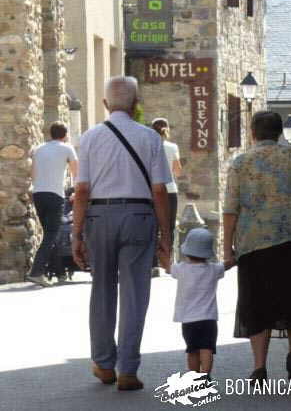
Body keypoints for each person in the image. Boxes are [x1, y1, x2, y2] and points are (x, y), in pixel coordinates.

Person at [72, 76, 172, 391]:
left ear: (105, 104)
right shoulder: (151, 138)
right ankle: (128, 369)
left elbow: (82, 188)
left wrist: (76, 232)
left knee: (102, 288)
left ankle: (103, 364)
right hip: (140, 215)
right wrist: (166, 234)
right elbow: (159, 190)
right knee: (135, 293)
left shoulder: (89, 138)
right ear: (136, 104)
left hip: (99, 216)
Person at [223, 111, 291, 383]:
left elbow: (230, 209)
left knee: (255, 303)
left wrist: (226, 250)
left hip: (253, 241)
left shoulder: (241, 163)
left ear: (253, 132)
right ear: (279, 132)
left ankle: (259, 367)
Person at [170, 228, 235, 378]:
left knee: (192, 350)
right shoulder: (213, 269)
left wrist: (161, 252)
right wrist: (235, 255)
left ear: (186, 251)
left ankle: (194, 377)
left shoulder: (180, 269)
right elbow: (229, 264)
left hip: (188, 320)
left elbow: (167, 267)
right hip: (208, 319)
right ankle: (205, 374)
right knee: (207, 349)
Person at [27, 121, 78, 287]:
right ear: (65, 134)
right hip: (55, 194)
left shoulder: (39, 149)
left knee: (50, 234)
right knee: (51, 234)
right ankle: (36, 272)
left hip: (38, 194)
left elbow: (33, 174)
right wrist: (77, 191)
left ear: (51, 133)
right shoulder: (67, 148)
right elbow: (76, 172)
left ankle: (60, 273)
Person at [151, 117, 182, 277]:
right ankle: (168, 262)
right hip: (169, 191)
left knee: (153, 227)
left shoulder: (148, 146)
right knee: (168, 228)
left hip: (152, 191)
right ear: (167, 130)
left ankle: (153, 264)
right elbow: (177, 171)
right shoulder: (172, 147)